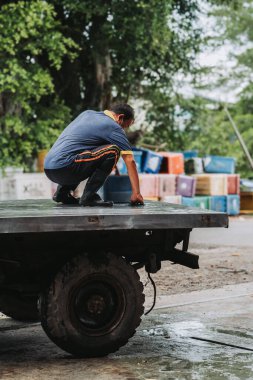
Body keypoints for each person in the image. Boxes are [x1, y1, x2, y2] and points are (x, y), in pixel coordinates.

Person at [44, 103, 144, 207]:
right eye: (124, 126)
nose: (123, 130)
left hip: (49, 168)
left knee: (83, 151)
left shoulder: (87, 114)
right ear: (120, 117)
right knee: (113, 151)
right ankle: (89, 196)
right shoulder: (113, 127)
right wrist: (136, 194)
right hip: (66, 167)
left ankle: (62, 193)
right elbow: (130, 160)